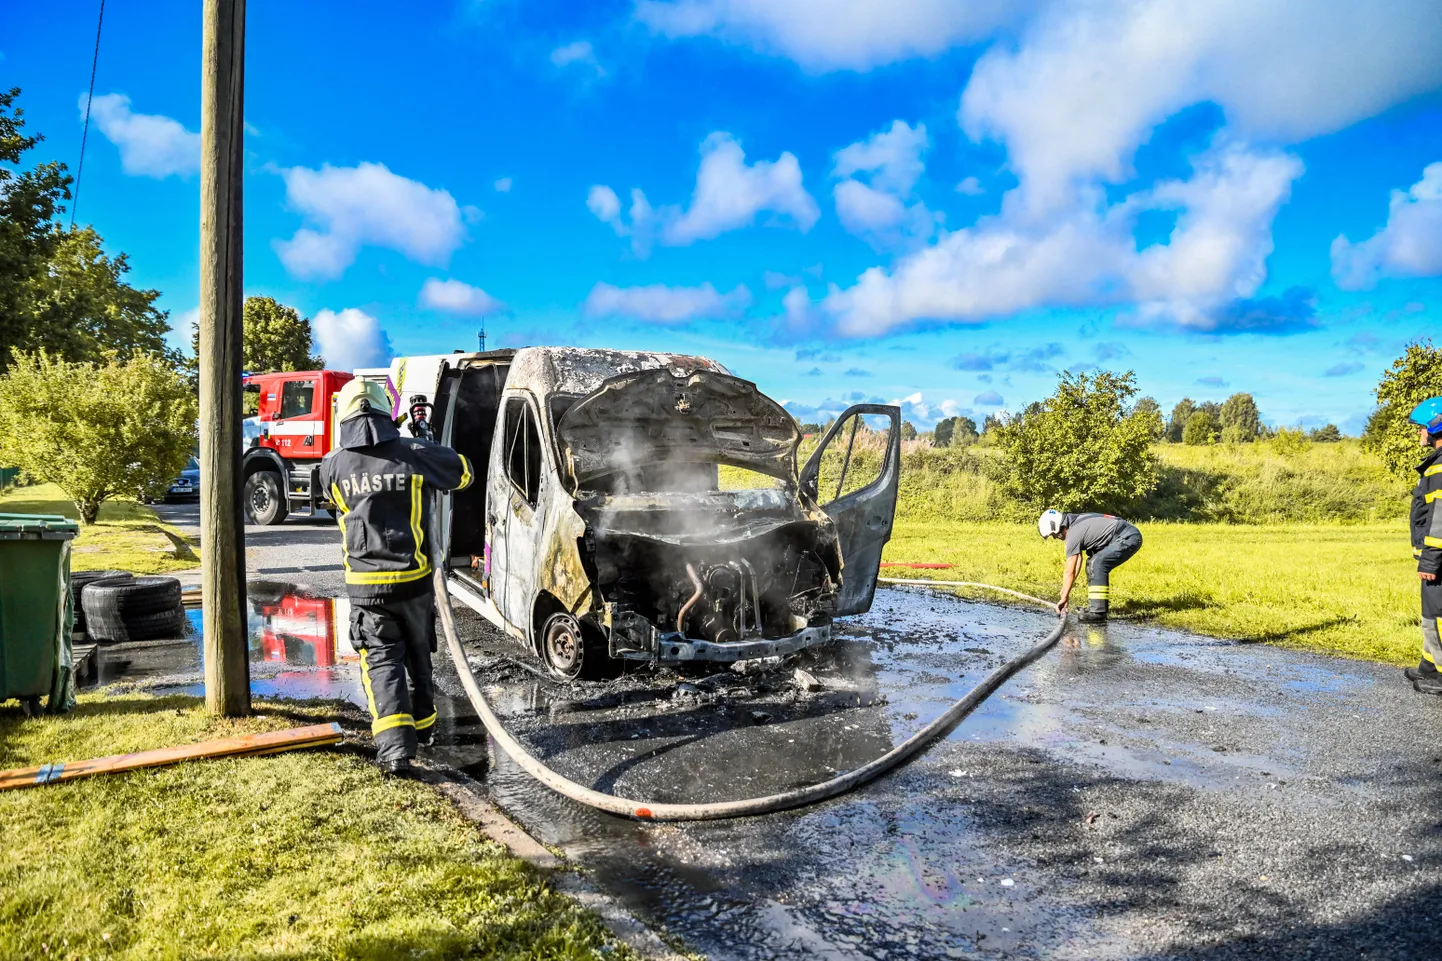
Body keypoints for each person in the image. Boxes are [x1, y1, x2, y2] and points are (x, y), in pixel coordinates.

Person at [319, 378, 474, 775]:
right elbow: (464, 474)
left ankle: (395, 753)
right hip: (416, 582)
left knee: (383, 663)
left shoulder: (333, 465)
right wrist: (426, 444)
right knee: (421, 659)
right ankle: (424, 730)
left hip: (367, 589)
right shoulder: (415, 453)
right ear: (386, 410)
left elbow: (334, 501)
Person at [1038, 509, 1143, 622]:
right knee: (1092, 562)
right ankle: (1096, 608)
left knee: (1097, 563)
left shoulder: (1073, 533)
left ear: (1058, 527)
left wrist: (1064, 596)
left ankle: (1098, 613)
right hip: (1125, 534)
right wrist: (1065, 593)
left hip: (1128, 537)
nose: (1055, 538)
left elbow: (1070, 570)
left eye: (1054, 535)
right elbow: (1077, 561)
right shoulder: (1075, 523)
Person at [1405, 398, 1442, 696]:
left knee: (1437, 617)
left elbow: (1440, 519)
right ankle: (1430, 667)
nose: (1419, 434)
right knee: (1430, 614)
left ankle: (1440, 678)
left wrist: (1430, 560)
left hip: (1438, 559)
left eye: (1421, 428)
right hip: (1434, 557)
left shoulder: (1440, 467)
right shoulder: (1436, 463)